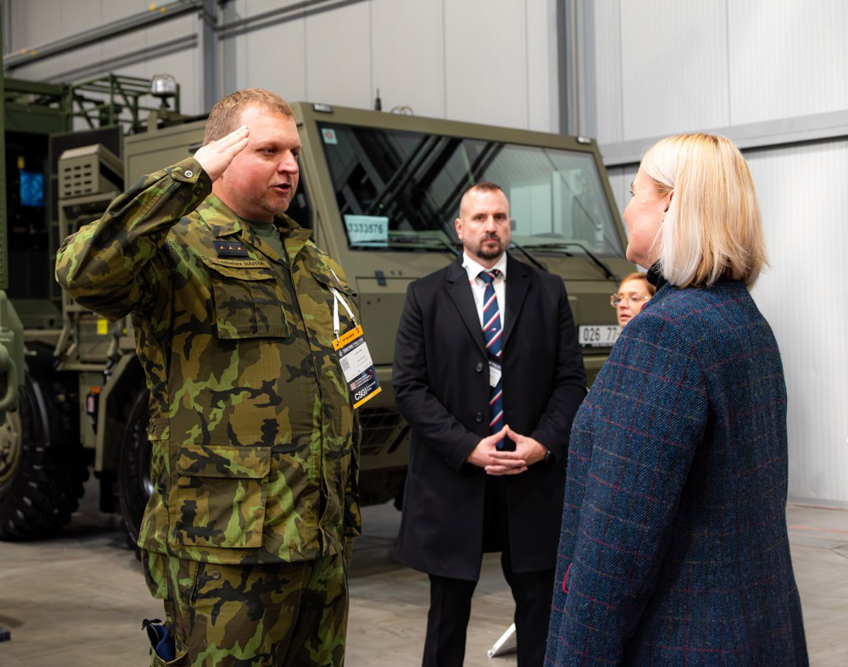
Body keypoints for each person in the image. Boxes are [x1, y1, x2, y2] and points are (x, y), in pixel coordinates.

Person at [56, 89, 363, 667]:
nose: (289, 167)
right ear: (222, 153)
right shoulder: (177, 245)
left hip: (320, 544)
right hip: (225, 549)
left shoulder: (312, 261)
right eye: (269, 151)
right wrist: (187, 178)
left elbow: (349, 374)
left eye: (294, 152)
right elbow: (83, 272)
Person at [545, 134, 808, 665]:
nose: (626, 209)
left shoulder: (665, 334)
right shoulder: (742, 320)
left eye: (634, 192)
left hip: (680, 641)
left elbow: (616, 546)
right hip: (753, 631)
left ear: (670, 203)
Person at [392, 182, 587, 667]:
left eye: (499, 217)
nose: (491, 226)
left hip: (531, 479)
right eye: (479, 218)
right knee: (447, 619)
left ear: (509, 225)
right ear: (459, 227)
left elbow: (570, 381)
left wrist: (543, 443)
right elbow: (409, 388)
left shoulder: (547, 291)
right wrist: (467, 447)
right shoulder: (425, 295)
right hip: (454, 481)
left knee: (540, 616)